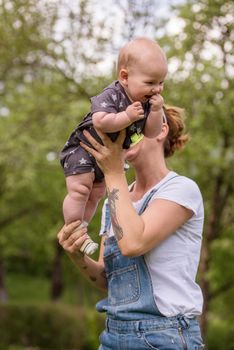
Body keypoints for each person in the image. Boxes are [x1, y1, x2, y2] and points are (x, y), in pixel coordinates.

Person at [57, 105, 205, 349]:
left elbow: (133, 244)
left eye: (133, 128)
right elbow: (108, 279)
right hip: (113, 334)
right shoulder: (113, 202)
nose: (122, 135)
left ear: (160, 130)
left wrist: (113, 170)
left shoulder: (181, 190)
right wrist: (77, 256)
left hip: (164, 334)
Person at [60, 37, 168, 255]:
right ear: (125, 77)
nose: (156, 89)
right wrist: (127, 116)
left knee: (97, 193)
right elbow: (101, 121)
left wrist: (156, 112)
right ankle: (72, 226)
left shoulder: (148, 103)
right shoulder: (112, 94)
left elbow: (151, 132)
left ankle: (82, 229)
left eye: (161, 82)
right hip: (83, 152)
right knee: (81, 190)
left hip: (108, 159)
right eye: (150, 83)